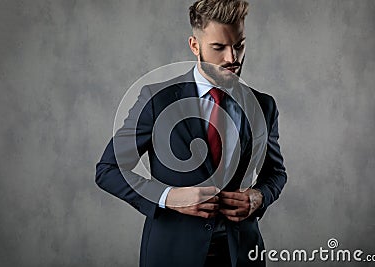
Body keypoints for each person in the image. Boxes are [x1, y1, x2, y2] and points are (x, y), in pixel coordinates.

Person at [95, 0, 287, 266]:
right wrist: (167, 197)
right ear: (195, 45)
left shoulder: (263, 106)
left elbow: (275, 173)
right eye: (218, 47)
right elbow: (108, 170)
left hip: (241, 255)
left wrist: (260, 197)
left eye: (239, 45)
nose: (232, 58)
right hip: (171, 254)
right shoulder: (157, 100)